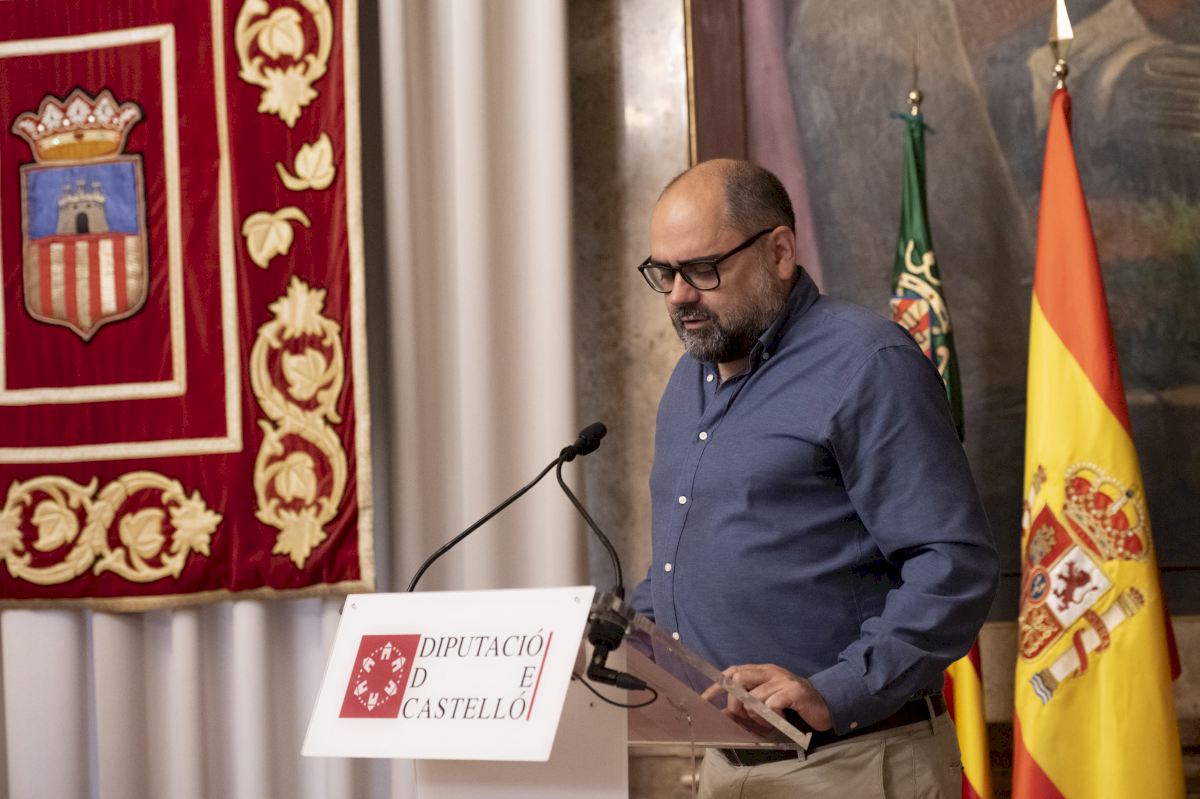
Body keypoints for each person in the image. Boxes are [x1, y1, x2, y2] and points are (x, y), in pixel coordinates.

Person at [629, 159, 998, 798]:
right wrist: (607, 639)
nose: (679, 295)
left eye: (703, 269)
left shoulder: (868, 363)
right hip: (725, 764)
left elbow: (954, 565)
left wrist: (838, 690)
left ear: (778, 251)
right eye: (664, 273)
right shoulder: (689, 381)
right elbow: (690, 561)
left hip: (851, 762)